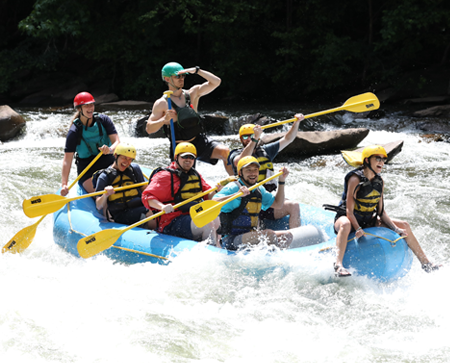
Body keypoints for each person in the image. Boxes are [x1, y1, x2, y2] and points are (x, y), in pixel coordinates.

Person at [329, 145, 440, 277]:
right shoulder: (355, 179)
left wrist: (395, 228)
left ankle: (426, 264)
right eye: (378, 158)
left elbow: (381, 212)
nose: (381, 162)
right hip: (347, 219)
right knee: (345, 224)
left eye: (383, 159)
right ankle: (338, 265)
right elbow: (349, 211)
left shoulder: (379, 181)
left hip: (368, 220)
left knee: (404, 225)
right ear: (366, 161)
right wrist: (357, 228)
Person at [146, 61, 233, 175]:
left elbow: (216, 82)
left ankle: (237, 184)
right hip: (180, 147)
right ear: (167, 79)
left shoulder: (192, 93)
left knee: (226, 152)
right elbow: (149, 129)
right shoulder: (162, 103)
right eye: (177, 76)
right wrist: (163, 120)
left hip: (199, 141)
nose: (181, 79)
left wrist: (197, 71)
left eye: (183, 76)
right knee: (187, 178)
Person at [228, 116, 304, 229]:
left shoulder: (266, 151)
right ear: (240, 139)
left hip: (266, 200)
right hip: (247, 203)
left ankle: (296, 240)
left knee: (294, 206)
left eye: (251, 135)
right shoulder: (235, 154)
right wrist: (254, 139)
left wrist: (296, 122)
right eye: (245, 136)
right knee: (255, 222)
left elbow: (288, 139)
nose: (248, 139)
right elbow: (240, 161)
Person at [141, 142, 223, 246]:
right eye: (185, 157)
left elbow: (208, 196)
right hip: (171, 222)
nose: (188, 160)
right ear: (176, 157)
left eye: (191, 157)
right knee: (206, 223)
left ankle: (218, 247)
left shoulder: (195, 174)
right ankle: (212, 250)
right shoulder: (165, 176)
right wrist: (162, 207)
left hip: (192, 216)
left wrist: (216, 191)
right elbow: (146, 197)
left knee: (216, 217)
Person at [213, 156, 293, 250]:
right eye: (248, 170)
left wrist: (281, 180)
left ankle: (272, 257)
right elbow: (214, 202)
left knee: (287, 235)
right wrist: (236, 195)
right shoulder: (233, 187)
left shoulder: (259, 189)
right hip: (231, 239)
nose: (253, 173)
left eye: (255, 170)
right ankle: (271, 260)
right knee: (269, 234)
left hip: (250, 236)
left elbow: (278, 204)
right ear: (240, 173)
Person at [61, 92, 120, 196]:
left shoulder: (104, 120)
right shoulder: (74, 131)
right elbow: (67, 160)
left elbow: (117, 142)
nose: (90, 108)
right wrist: (64, 184)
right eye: (86, 106)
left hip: (108, 162)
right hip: (87, 169)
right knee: (101, 193)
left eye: (91, 105)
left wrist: (110, 150)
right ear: (79, 109)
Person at [93, 143, 156, 229]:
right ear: (115, 156)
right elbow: (99, 205)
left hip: (138, 208)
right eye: (124, 158)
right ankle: (157, 236)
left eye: (130, 159)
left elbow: (145, 191)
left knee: (157, 208)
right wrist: (105, 194)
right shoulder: (104, 176)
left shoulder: (134, 170)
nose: (127, 162)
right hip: (120, 215)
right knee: (151, 212)